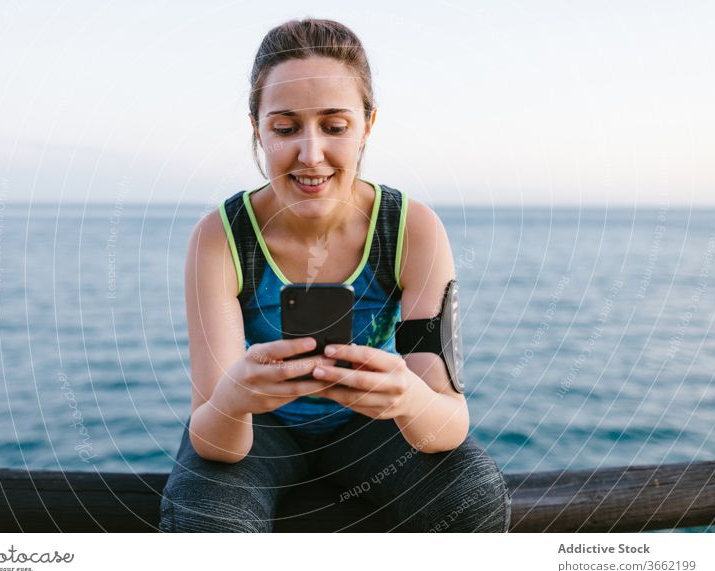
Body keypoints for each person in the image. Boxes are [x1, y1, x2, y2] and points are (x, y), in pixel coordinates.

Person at [159, 17, 511, 533]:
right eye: (284, 127)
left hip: (371, 427)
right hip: (260, 433)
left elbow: (446, 426)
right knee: (205, 523)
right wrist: (234, 400)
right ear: (256, 127)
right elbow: (214, 440)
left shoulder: (411, 229)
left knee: (472, 498)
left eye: (334, 126)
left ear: (368, 124)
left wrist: (409, 396)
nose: (310, 153)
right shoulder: (220, 237)